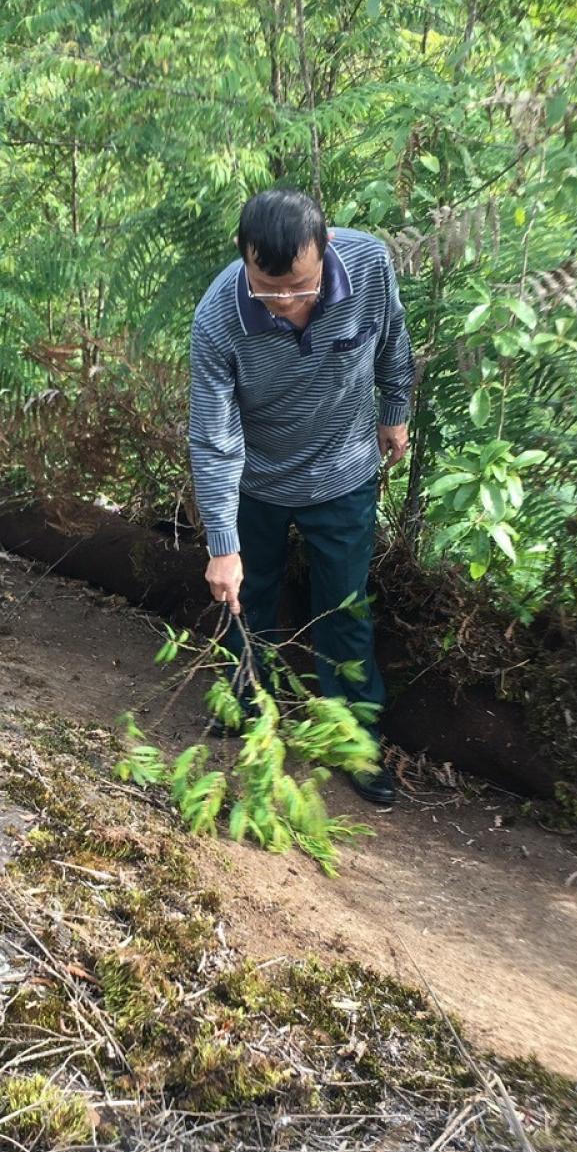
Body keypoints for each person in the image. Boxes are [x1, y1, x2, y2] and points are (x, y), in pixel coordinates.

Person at [188, 188, 415, 805]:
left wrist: (395, 409)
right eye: (268, 289)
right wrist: (222, 545)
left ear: (326, 247)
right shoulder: (217, 318)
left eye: (301, 286)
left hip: (344, 473)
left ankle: (354, 740)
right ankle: (246, 707)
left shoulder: (368, 264)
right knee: (248, 600)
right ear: (244, 256)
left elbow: (393, 338)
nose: (286, 302)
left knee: (344, 608)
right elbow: (213, 437)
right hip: (257, 481)